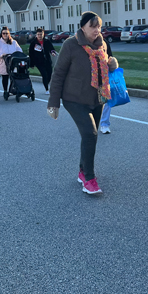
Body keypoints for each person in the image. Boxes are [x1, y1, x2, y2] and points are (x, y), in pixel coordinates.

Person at [47, 12, 118, 195]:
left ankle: (82, 171)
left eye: (99, 26)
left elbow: (106, 64)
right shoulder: (71, 45)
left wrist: (112, 64)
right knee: (90, 134)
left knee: (89, 137)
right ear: (82, 27)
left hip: (98, 98)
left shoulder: (102, 44)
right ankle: (89, 178)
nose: (97, 30)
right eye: (92, 26)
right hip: (74, 99)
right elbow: (58, 73)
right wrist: (53, 103)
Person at [0, 27, 22, 100]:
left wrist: (17, 55)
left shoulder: (13, 42)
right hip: (3, 62)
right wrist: (1, 55)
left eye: (7, 33)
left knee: (13, 76)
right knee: (5, 77)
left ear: (9, 34)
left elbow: (19, 49)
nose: (5, 35)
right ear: (1, 34)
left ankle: (12, 89)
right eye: (4, 33)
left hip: (12, 62)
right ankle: (5, 90)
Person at [28, 27, 58, 95]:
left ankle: (46, 83)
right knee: (44, 75)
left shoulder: (47, 41)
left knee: (49, 74)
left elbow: (51, 48)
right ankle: (47, 89)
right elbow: (31, 54)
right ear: (36, 35)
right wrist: (32, 64)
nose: (39, 36)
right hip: (39, 62)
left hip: (47, 61)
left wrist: (53, 52)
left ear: (43, 34)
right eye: (38, 34)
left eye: (41, 34)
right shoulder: (33, 43)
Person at [99, 39, 114, 134]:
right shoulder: (85, 44)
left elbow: (110, 57)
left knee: (107, 100)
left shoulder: (104, 42)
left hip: (105, 75)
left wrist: (113, 65)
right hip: (90, 76)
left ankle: (105, 124)